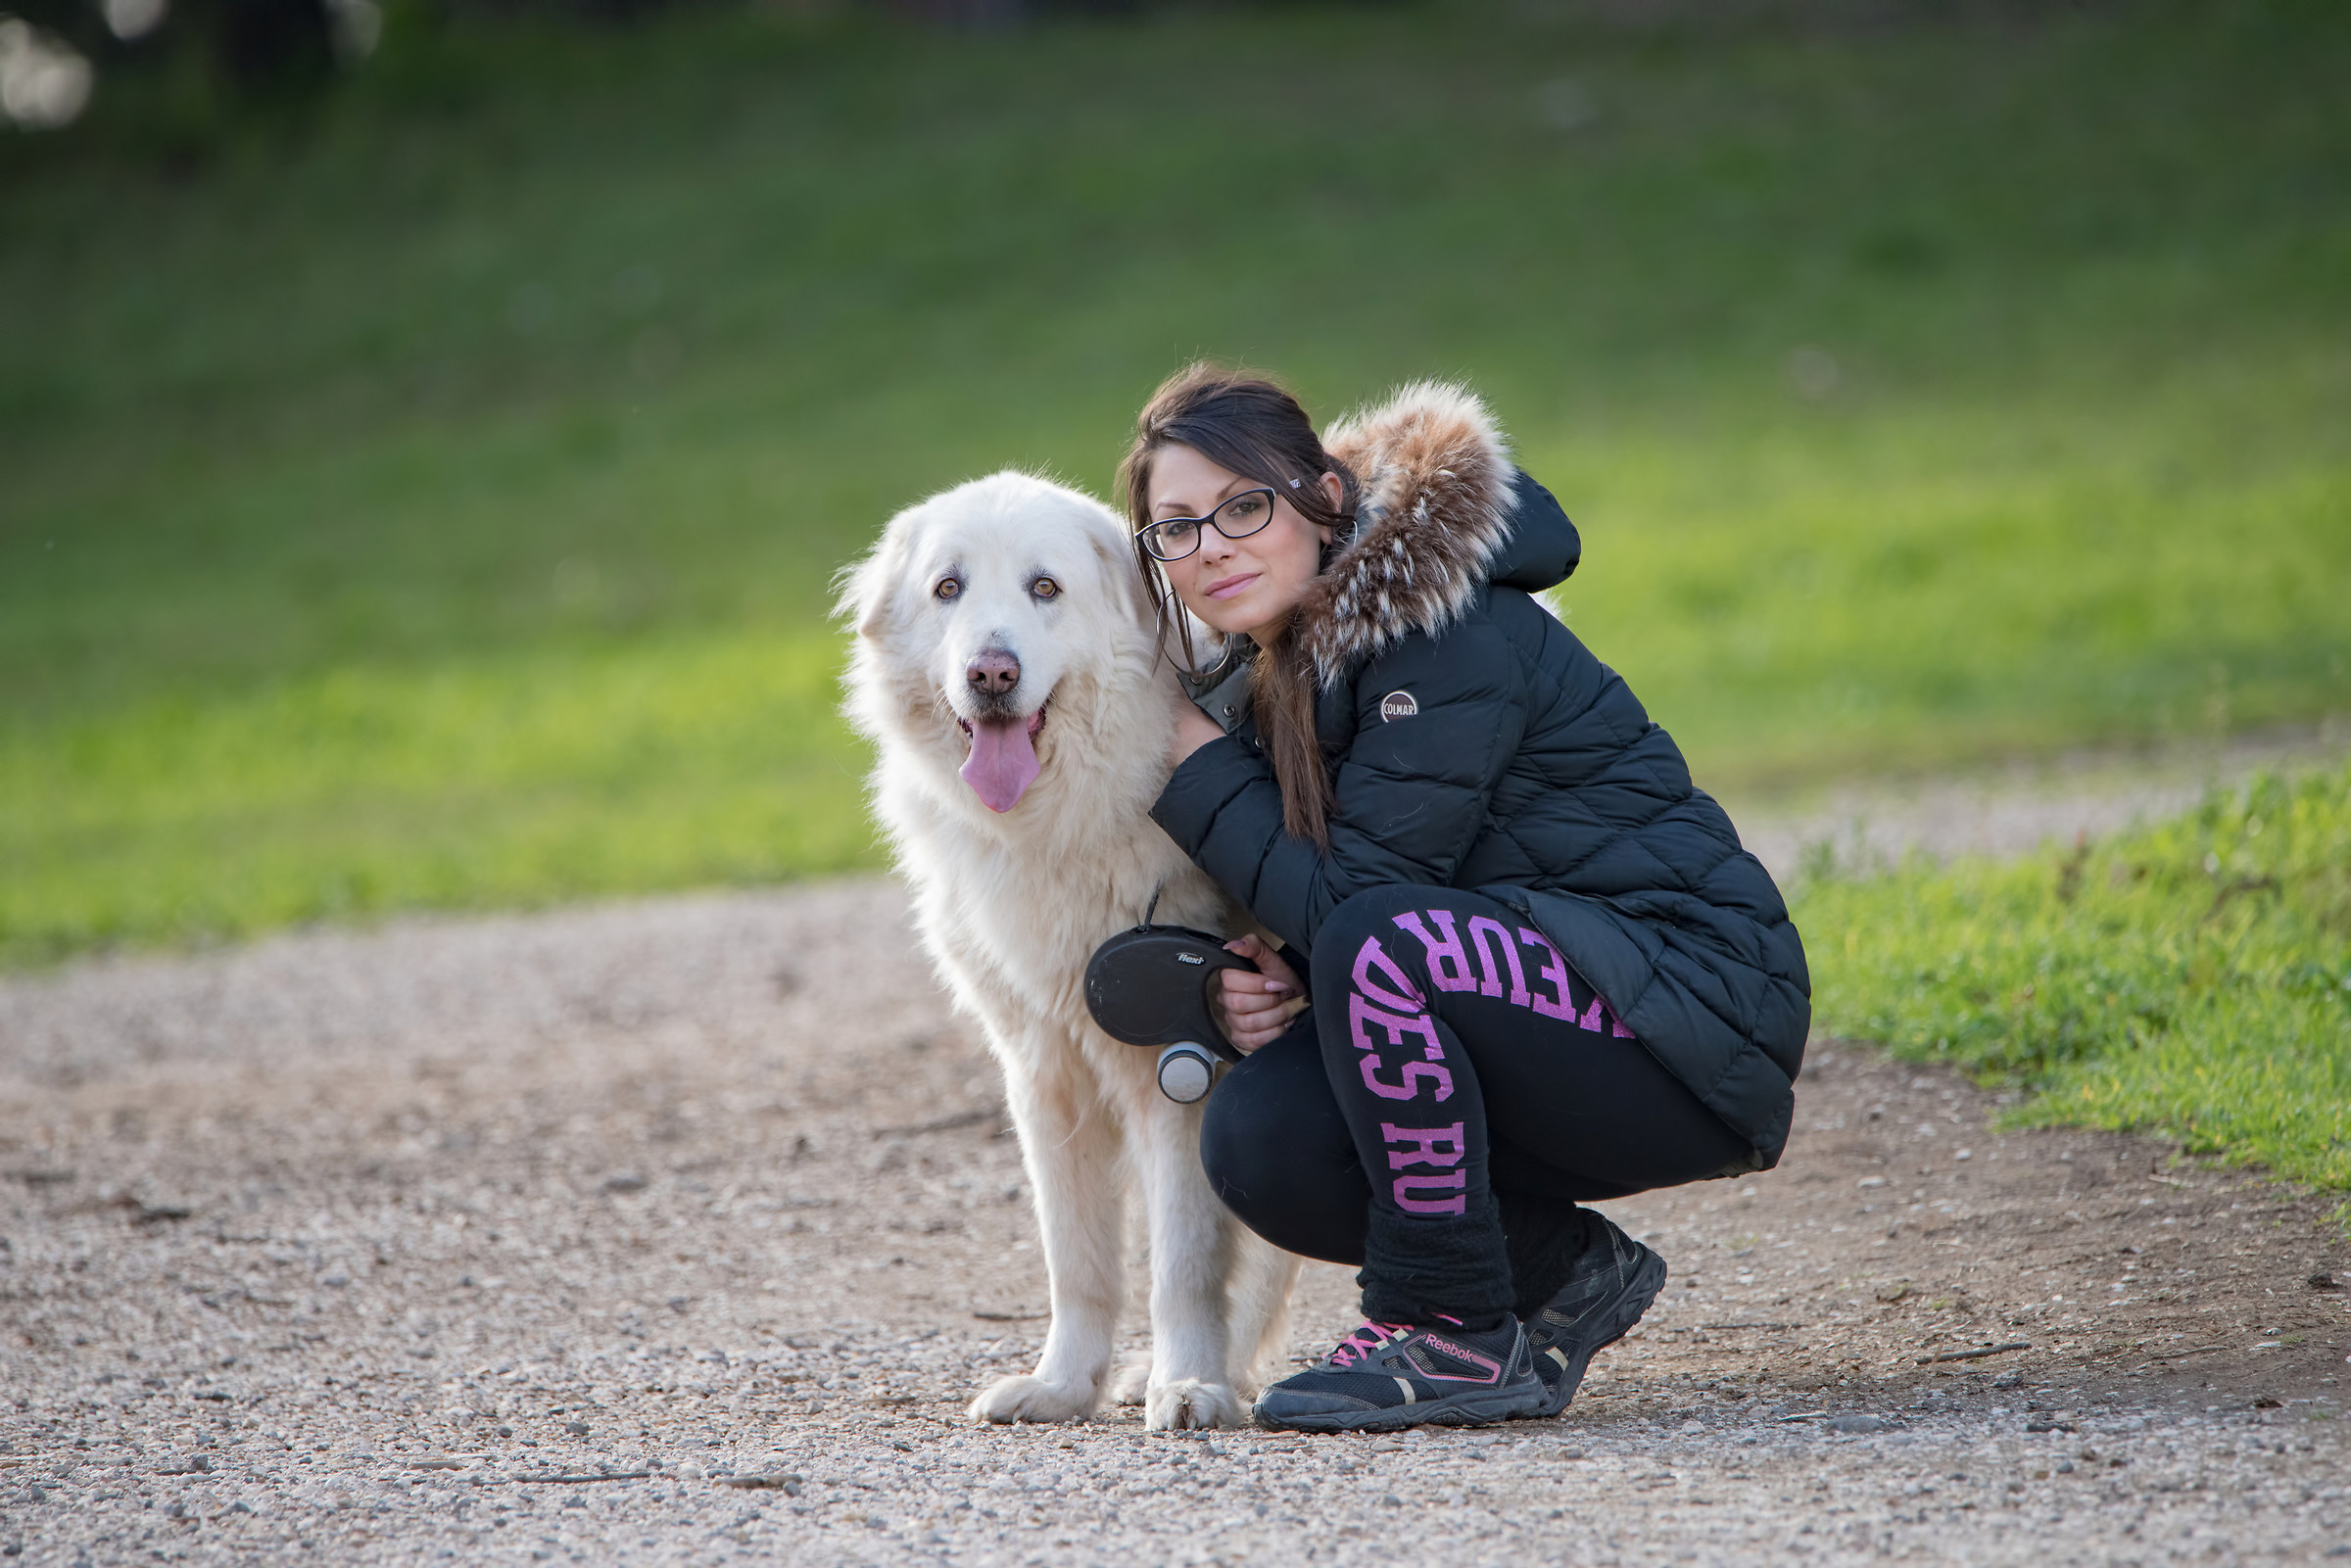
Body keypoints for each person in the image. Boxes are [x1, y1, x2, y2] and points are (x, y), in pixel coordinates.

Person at [1124, 365, 1811, 1433]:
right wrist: (1268, 985)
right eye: (1175, 527)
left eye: (1242, 505)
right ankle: (1565, 1271)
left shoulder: (1446, 632)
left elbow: (1371, 905)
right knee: (1263, 1136)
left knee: (1377, 940)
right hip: (1554, 996)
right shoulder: (1285, 670)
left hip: (1694, 1008)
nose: (1210, 545)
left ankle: (1449, 1325)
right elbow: (1422, 884)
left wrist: (1187, 753)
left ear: (1324, 497)